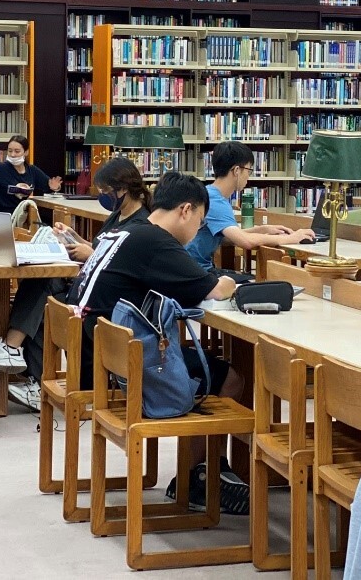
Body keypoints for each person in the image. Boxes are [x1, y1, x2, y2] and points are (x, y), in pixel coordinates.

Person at [75, 170, 247, 512]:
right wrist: (230, 280)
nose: (198, 231)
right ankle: (199, 476)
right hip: (128, 367)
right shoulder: (157, 241)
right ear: (185, 210)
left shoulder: (123, 230)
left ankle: (197, 473)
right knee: (231, 377)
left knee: (198, 358)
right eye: (199, 221)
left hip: (98, 352)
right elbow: (212, 289)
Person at [0, 157, 153, 410]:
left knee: (46, 287)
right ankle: (30, 374)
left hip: (105, 294)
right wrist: (73, 238)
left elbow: (123, 264)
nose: (103, 197)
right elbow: (100, 247)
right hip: (89, 283)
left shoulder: (141, 223)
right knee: (45, 289)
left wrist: (92, 256)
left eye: (106, 192)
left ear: (123, 189)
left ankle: (13, 350)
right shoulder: (118, 215)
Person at [184, 141, 315, 274]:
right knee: (258, 285)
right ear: (236, 171)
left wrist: (262, 229)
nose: (248, 176)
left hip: (195, 269)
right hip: (197, 273)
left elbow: (228, 237)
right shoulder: (216, 201)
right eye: (248, 170)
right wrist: (290, 238)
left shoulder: (209, 193)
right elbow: (245, 242)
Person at [0, 135, 62, 213]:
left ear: (26, 152)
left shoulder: (32, 170)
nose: (13, 154)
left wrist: (55, 187)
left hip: (24, 216)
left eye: (17, 151)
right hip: (4, 217)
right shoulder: (0, 169)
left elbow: (49, 187)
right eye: (10, 151)